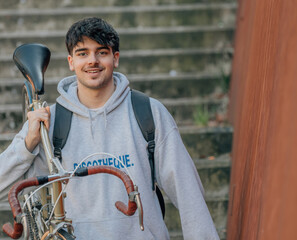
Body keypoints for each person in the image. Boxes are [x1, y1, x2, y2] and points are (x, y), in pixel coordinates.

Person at [0, 17, 219, 239]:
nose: (92, 61)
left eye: (102, 52)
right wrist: (27, 145)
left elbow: (189, 194)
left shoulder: (148, 112)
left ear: (115, 59)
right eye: (82, 53)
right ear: (70, 61)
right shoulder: (49, 122)